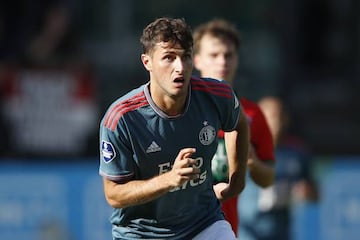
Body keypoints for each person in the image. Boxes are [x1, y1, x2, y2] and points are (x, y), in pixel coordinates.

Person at [98, 17, 250, 240]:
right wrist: (168, 179)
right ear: (147, 62)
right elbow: (114, 194)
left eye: (185, 57)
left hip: (203, 224)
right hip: (141, 234)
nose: (179, 67)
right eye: (169, 57)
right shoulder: (121, 118)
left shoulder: (218, 96)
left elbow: (238, 123)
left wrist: (236, 182)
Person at [193, 18, 275, 236]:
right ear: (197, 60)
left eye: (228, 55)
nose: (222, 62)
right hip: (180, 229)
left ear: (237, 59)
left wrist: (253, 162)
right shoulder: (179, 111)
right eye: (214, 55)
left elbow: (268, 178)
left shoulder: (251, 114)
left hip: (225, 229)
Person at [244, 96, 317, 240]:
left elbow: (314, 194)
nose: (276, 121)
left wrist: (306, 191)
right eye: (270, 115)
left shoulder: (297, 153)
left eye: (280, 115)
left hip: (280, 231)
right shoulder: (242, 149)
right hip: (246, 231)